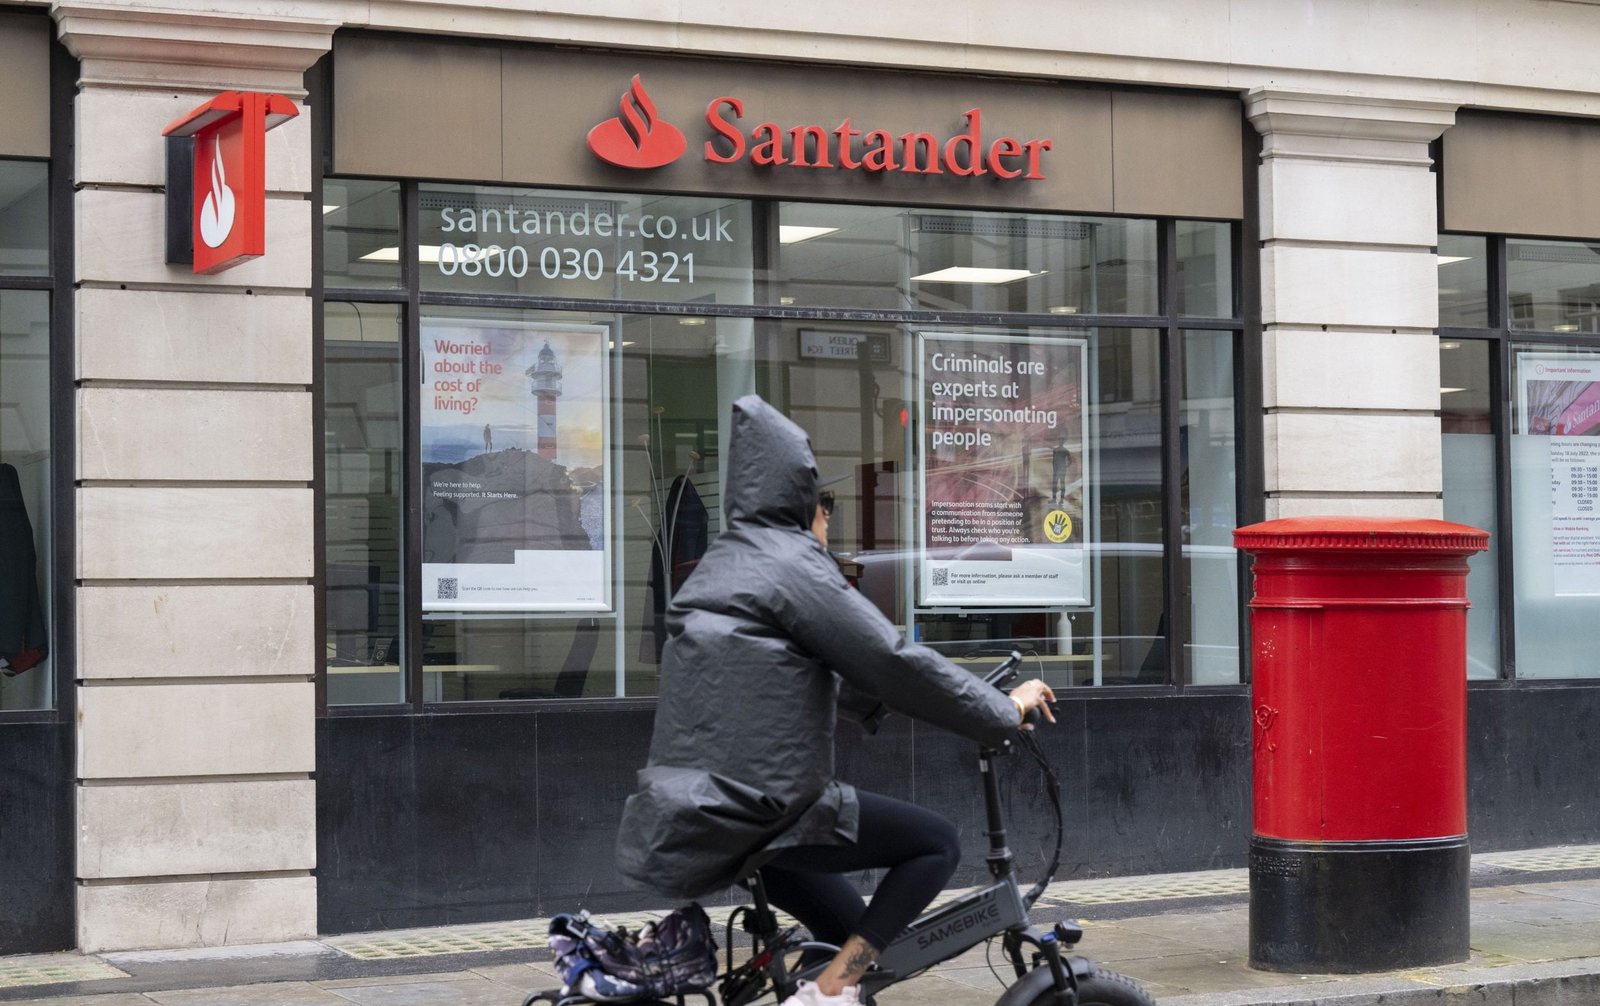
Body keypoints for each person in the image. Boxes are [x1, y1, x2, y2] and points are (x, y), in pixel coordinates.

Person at [616, 395, 1055, 1006]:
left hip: (707, 809)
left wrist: (884, 705)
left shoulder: (726, 561)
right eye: (825, 508)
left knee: (857, 936)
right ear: (801, 501)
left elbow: (806, 670)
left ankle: (835, 981)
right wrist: (998, 711)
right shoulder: (793, 563)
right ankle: (828, 990)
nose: (830, 524)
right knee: (935, 844)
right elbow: (891, 660)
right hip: (768, 808)